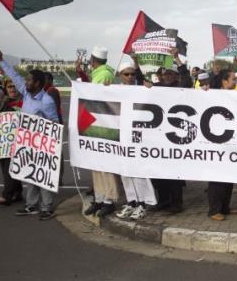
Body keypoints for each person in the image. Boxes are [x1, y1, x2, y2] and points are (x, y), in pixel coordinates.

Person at [0, 47, 59, 220]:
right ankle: (31, 205)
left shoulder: (46, 101)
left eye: (29, 80)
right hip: (27, 143)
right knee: (30, 174)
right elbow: (15, 77)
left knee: (43, 175)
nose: (25, 82)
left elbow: (55, 123)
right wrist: (2, 61)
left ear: (37, 83)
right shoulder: (26, 93)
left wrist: (45, 139)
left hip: (42, 144)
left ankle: (46, 207)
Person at [114, 57, 158, 220]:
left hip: (138, 135)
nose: (130, 77)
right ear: (120, 75)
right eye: (127, 74)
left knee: (139, 170)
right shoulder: (115, 89)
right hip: (122, 135)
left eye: (132, 74)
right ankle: (132, 201)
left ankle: (143, 203)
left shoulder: (141, 89)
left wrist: (150, 89)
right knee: (125, 171)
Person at [149, 48, 192, 214]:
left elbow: (187, 78)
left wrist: (176, 57)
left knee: (174, 173)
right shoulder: (157, 86)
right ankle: (163, 200)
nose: (167, 76)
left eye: (170, 74)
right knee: (158, 172)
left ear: (175, 76)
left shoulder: (181, 86)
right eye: (165, 74)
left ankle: (176, 204)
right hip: (159, 134)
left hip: (175, 135)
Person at [81, 46, 121, 218]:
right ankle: (99, 198)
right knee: (96, 166)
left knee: (106, 166)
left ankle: (109, 201)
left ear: (93, 60)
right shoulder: (98, 74)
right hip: (95, 125)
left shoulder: (104, 74)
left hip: (104, 126)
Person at [205, 69, 237, 221]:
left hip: (229, 142)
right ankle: (214, 210)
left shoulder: (236, 95)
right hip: (215, 142)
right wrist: (204, 92)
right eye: (233, 79)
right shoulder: (212, 94)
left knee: (228, 176)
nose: (236, 81)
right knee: (216, 177)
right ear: (224, 81)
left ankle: (224, 207)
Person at [0, 79, 24, 206]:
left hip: (17, 140)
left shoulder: (24, 101)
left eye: (15, 86)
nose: (13, 89)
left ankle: (7, 195)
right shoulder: (1, 101)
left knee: (9, 168)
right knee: (6, 166)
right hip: (3, 140)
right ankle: (17, 192)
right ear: (5, 88)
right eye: (10, 86)